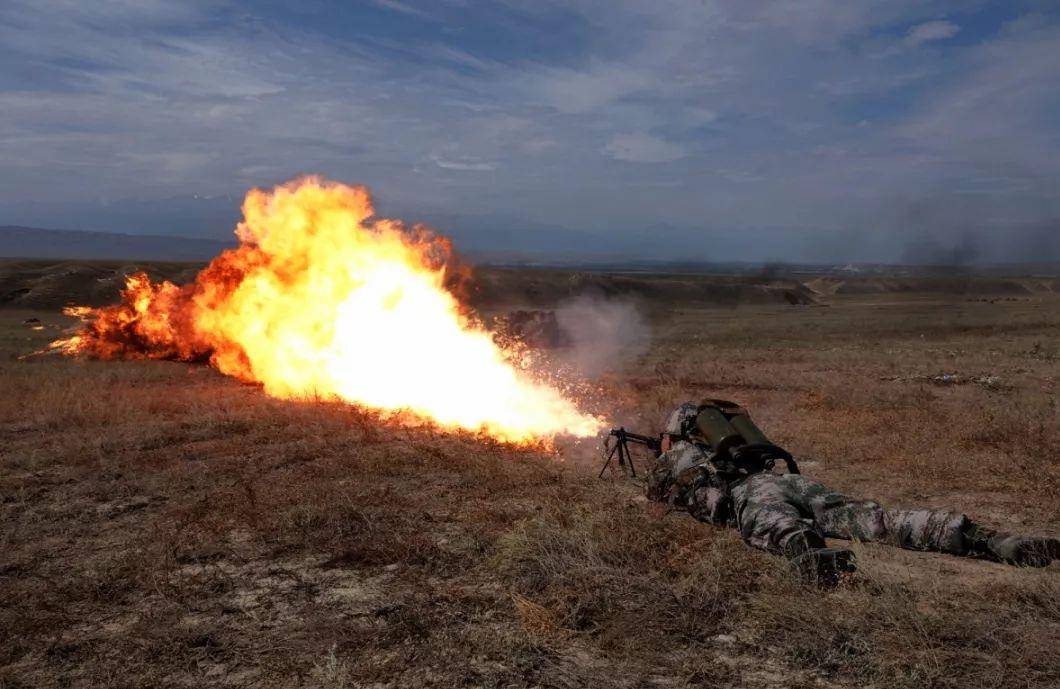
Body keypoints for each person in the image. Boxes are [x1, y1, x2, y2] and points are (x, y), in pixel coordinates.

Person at [641, 399, 1059, 582]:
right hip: (794, 481)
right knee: (871, 517)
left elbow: (661, 491)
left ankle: (809, 555)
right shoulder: (738, 445)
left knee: (773, 523)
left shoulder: (682, 455)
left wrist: (663, 453)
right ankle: (986, 539)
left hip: (757, 491)